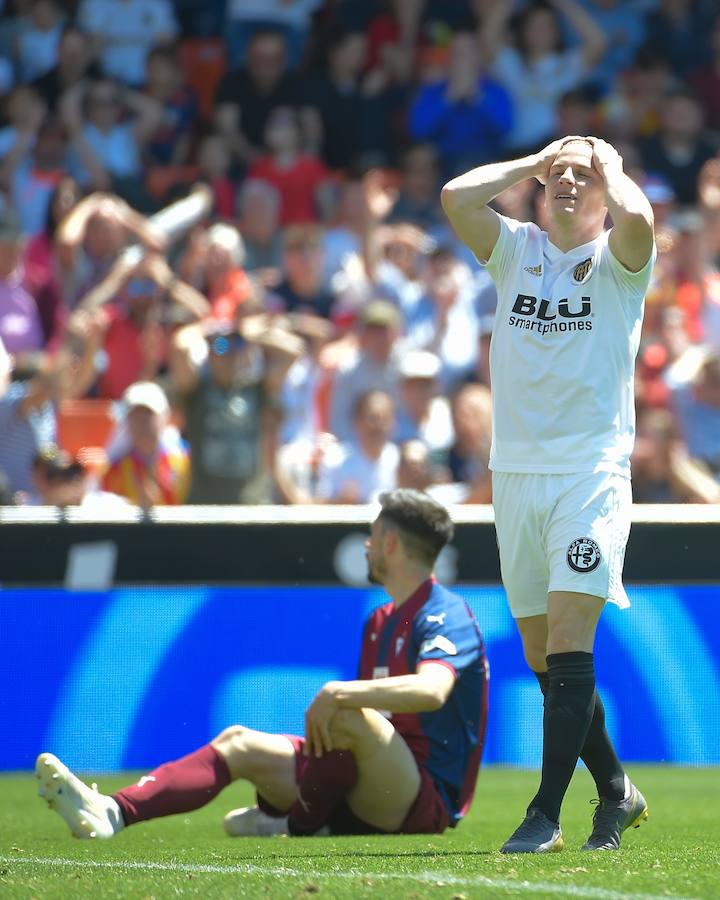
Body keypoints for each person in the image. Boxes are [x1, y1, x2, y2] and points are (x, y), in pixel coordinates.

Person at [35, 488, 489, 840]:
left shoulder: (446, 613)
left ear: (391, 543)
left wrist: (337, 694)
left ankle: (298, 821)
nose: (366, 545)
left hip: (421, 797)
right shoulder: (380, 620)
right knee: (239, 743)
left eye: (373, 536)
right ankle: (114, 810)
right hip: (376, 780)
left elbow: (432, 691)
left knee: (348, 711)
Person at [442, 134, 655, 852]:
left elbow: (642, 222)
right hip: (516, 477)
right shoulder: (515, 249)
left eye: (581, 175)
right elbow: (453, 197)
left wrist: (610, 164)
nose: (567, 182)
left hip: (590, 476)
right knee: (546, 663)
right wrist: (536, 160)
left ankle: (546, 815)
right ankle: (618, 790)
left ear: (604, 191)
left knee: (568, 645)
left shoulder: (620, 264)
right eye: (555, 175)